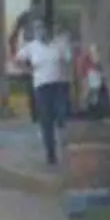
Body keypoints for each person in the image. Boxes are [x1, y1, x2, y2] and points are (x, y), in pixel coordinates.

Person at [15, 22, 73, 166]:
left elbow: (68, 60)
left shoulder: (58, 44)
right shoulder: (32, 47)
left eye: (44, 29)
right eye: (38, 30)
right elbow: (18, 60)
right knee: (46, 120)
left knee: (61, 115)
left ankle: (64, 145)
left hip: (59, 85)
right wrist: (28, 71)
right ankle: (51, 153)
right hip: (41, 87)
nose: (42, 32)